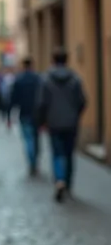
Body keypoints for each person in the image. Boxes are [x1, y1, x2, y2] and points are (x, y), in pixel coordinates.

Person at [36, 47, 87, 202]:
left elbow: (41, 103)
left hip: (54, 123)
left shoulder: (46, 79)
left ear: (53, 60)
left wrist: (42, 121)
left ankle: (59, 180)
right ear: (67, 60)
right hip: (71, 123)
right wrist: (75, 115)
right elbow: (82, 101)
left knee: (57, 153)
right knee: (69, 153)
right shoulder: (76, 79)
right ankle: (69, 184)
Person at [9, 57, 42, 175]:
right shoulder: (38, 79)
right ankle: (34, 161)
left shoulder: (19, 80)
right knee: (35, 138)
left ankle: (31, 162)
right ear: (32, 65)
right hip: (37, 114)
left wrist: (9, 115)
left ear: (23, 66)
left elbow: (13, 99)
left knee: (28, 139)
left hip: (24, 114)